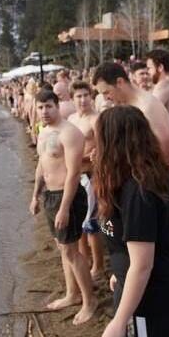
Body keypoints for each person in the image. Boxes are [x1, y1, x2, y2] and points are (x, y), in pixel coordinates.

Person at [94, 106, 169, 337]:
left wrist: (119, 321)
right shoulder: (125, 182)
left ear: (113, 142)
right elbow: (128, 245)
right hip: (135, 284)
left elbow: (143, 265)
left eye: (99, 139)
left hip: (148, 296)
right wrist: (118, 272)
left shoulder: (137, 192)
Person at [92, 63, 169, 283]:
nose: (107, 98)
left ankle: (162, 277)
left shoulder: (145, 105)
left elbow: (166, 150)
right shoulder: (132, 105)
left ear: (120, 82)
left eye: (106, 92)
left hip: (165, 177)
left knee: (161, 238)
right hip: (151, 179)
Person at [28, 90, 97, 325]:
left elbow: (74, 173)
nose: (44, 112)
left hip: (67, 197)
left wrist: (65, 208)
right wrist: (35, 196)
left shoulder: (70, 133)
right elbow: (42, 164)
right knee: (63, 248)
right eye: (40, 108)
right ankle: (72, 294)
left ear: (57, 106)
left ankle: (89, 302)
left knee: (71, 250)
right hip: (50, 195)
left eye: (48, 106)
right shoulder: (43, 131)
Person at [69, 81, 106, 280]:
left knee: (91, 224)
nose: (83, 100)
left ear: (91, 97)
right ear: (72, 99)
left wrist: (92, 156)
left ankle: (98, 266)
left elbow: (104, 147)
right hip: (75, 176)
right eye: (78, 96)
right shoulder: (71, 119)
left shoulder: (96, 119)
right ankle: (85, 261)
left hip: (91, 176)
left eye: (86, 95)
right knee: (79, 225)